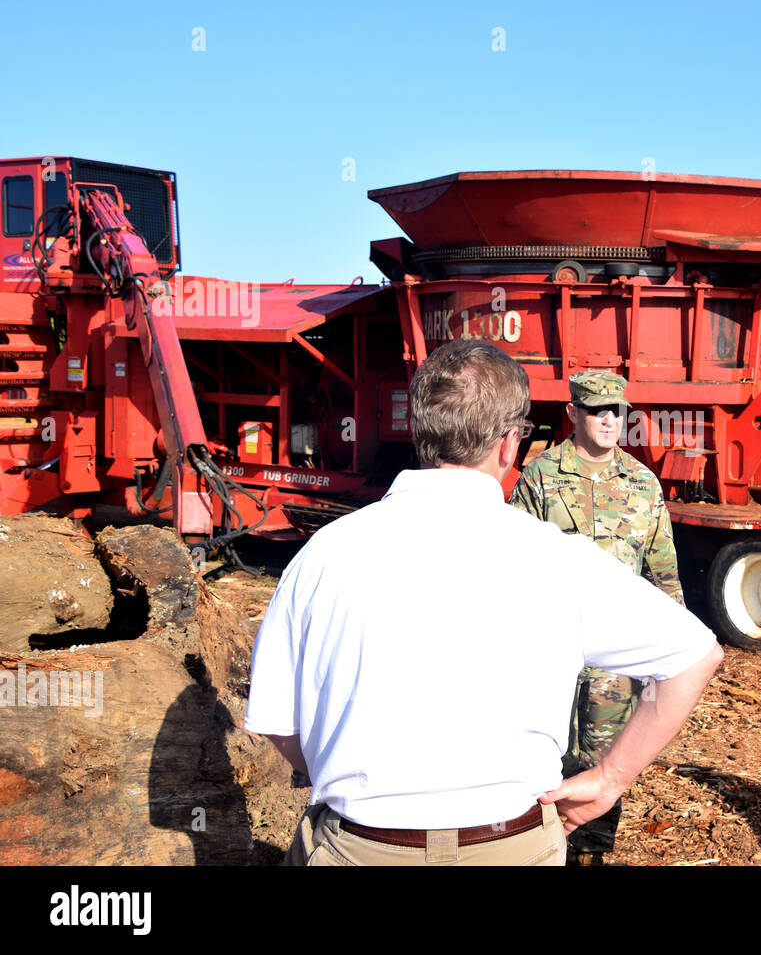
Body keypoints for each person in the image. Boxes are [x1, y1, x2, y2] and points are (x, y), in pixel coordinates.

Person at [243, 342, 723, 866]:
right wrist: (611, 779)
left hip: (361, 846)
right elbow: (695, 655)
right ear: (510, 444)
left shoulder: (322, 555)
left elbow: (275, 719)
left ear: (418, 430)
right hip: (512, 846)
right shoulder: (557, 557)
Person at [510, 370, 683, 864]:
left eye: (617, 411)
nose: (609, 420)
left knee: (603, 772)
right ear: (573, 414)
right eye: (597, 410)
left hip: (615, 668)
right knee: (538, 770)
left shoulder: (642, 484)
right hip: (550, 661)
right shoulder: (541, 477)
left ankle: (589, 857)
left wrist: (669, 664)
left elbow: (663, 577)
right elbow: (514, 570)